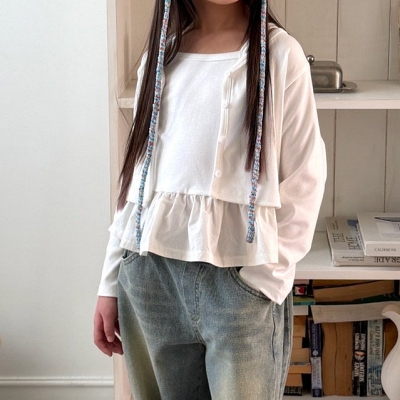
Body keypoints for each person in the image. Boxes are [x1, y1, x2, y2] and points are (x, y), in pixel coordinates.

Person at [94, 0, 326, 399]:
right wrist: (110, 281)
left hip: (240, 286)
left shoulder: (280, 55)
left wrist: (261, 283)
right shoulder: (160, 55)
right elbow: (137, 182)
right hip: (149, 282)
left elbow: (304, 181)